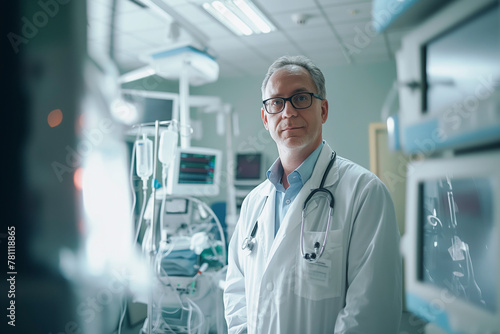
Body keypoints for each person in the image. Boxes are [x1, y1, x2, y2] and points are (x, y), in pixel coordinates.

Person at [223, 55, 402, 333]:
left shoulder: (365, 192)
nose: (288, 112)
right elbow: (236, 288)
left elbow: (369, 313)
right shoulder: (254, 203)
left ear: (323, 110)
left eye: (301, 98)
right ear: (265, 118)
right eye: (276, 102)